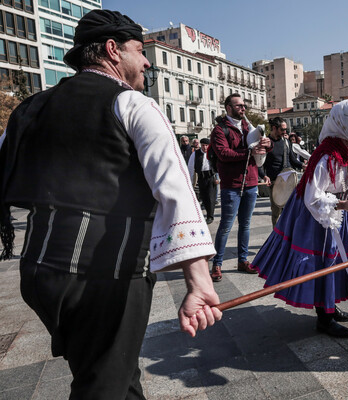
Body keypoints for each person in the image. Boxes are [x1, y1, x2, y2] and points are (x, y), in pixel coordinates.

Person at [0, 10, 221, 399]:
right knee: (102, 384)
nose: (147, 61)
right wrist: (198, 281)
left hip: (38, 274)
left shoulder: (30, 107)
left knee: (112, 370)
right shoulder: (133, 105)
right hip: (106, 276)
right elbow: (176, 192)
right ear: (112, 50)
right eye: (140, 50)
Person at [250, 99, 348, 338]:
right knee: (323, 262)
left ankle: (329, 306)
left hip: (338, 211)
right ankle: (324, 318)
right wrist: (343, 204)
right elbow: (312, 196)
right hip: (316, 215)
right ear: (343, 121)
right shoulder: (327, 155)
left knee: (337, 259)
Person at [209, 93, 271, 282]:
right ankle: (217, 264)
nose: (243, 109)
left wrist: (268, 145)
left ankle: (242, 261)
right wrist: (248, 152)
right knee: (226, 226)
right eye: (239, 106)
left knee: (245, 225)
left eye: (244, 106)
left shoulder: (248, 127)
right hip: (232, 185)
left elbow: (261, 148)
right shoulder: (220, 130)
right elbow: (223, 153)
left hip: (251, 183)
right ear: (228, 108)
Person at [263, 117, 304, 227]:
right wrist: (264, 176)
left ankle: (288, 237)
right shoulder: (267, 142)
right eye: (282, 130)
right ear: (274, 128)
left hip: (288, 181)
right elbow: (261, 163)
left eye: (286, 130)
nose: (285, 132)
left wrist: (303, 165)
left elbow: (292, 160)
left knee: (291, 210)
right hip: (274, 181)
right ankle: (277, 238)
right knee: (276, 212)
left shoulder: (286, 142)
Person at [188, 138, 218, 224]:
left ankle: (210, 216)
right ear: (201, 145)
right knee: (204, 197)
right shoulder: (195, 154)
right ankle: (207, 212)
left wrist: (218, 178)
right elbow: (190, 167)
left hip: (211, 177)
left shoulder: (213, 153)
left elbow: (218, 165)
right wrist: (190, 180)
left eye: (206, 145)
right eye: (203, 145)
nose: (205, 147)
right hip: (201, 177)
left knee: (211, 197)